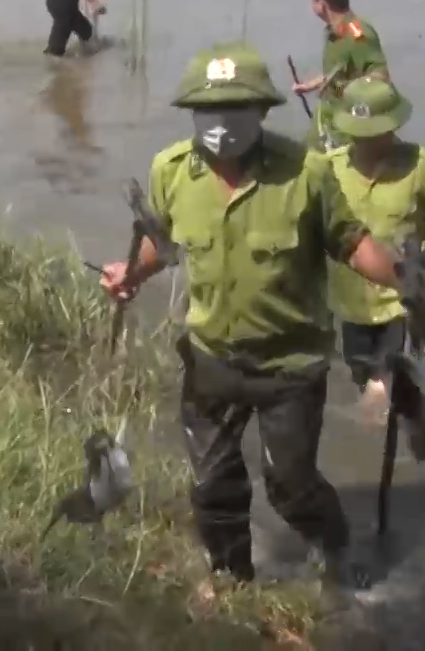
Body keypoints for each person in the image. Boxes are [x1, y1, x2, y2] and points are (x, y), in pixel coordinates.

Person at [99, 42, 403, 589]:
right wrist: (131, 272)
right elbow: (163, 245)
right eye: (208, 110)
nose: (220, 123)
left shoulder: (306, 173)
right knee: (213, 485)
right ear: (192, 113)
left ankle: (335, 547)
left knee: (290, 485)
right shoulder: (170, 171)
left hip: (291, 364)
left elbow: (353, 244)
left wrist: (410, 283)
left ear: (262, 110)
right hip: (211, 358)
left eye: (236, 108)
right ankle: (233, 581)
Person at [321, 77, 425, 420]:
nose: (368, 141)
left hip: (405, 303)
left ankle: (415, 434)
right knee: (365, 379)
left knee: (388, 391)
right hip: (350, 307)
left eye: (377, 132)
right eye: (360, 134)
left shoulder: (421, 165)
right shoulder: (327, 169)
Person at [289, 0, 388, 152]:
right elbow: (337, 72)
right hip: (327, 120)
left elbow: (379, 76)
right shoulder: (334, 33)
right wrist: (308, 86)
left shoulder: (357, 33)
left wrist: (352, 97)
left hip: (346, 127)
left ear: (322, 3)